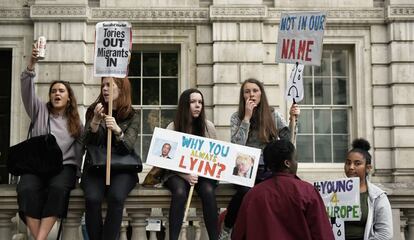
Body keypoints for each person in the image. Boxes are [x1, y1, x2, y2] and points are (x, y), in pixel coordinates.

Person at [16, 44, 83, 240]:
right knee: (26, 188)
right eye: (54, 91)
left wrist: (78, 173)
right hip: (36, 165)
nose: (57, 94)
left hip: (63, 167)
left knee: (58, 189)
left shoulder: (76, 122)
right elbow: (26, 90)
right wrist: (31, 64)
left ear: (69, 97)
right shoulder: (39, 110)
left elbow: (79, 149)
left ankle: (39, 238)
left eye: (61, 91)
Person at [219, 78, 300, 239]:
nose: (251, 94)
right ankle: (227, 228)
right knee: (245, 192)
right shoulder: (237, 117)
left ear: (261, 94)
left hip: (268, 168)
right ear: (243, 96)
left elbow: (288, 142)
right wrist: (247, 118)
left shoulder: (272, 114)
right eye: (247, 91)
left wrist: (293, 120)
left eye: (255, 91)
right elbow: (237, 144)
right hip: (245, 169)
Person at [232, 140, 335, 240]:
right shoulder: (307, 192)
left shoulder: (252, 195)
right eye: (295, 158)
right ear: (287, 163)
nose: (297, 162)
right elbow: (323, 234)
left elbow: (238, 235)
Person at [81, 76, 140, 240]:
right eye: (103, 86)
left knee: (116, 197)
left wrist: (117, 130)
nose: (104, 89)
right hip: (96, 166)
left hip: (122, 168)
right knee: (92, 199)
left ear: (121, 88)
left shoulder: (132, 114)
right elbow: (84, 142)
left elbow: (127, 146)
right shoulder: (95, 109)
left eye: (109, 85)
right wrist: (94, 122)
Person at [163, 88, 218, 240]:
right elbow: (165, 161)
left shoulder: (209, 127)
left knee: (207, 191)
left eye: (200, 102)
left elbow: (215, 158)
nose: (197, 105)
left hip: (202, 174)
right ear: (184, 105)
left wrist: (199, 173)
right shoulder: (172, 127)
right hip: (176, 174)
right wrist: (185, 175)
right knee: (180, 193)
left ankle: (215, 237)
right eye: (193, 102)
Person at [344, 138, 393, 240]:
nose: (351, 167)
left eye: (357, 164)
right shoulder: (333, 192)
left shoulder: (378, 197)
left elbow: (385, 234)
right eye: (348, 163)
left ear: (368, 168)